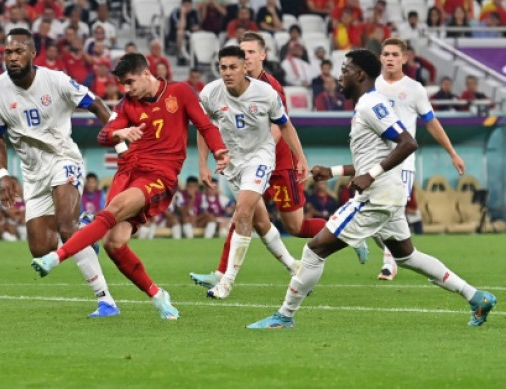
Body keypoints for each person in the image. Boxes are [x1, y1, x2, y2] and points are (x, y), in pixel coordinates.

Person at [248, 49, 495, 329]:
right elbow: (372, 158)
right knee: (407, 256)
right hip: (389, 193)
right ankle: (476, 297)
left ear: (360, 74)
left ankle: (284, 316)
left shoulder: (371, 105)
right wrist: (334, 172)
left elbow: (408, 143)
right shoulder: (367, 105)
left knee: (315, 249)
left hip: (378, 196)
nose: (340, 76)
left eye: (345, 70)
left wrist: (372, 175)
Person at [30, 52, 228, 319]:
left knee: (114, 210)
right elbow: (103, 135)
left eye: (130, 82)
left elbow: (205, 125)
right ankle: (158, 296)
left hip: (160, 173)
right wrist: (118, 133)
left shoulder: (180, 93)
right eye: (123, 84)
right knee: (114, 243)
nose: (127, 88)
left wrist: (219, 151)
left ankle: (56, 257)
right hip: (127, 172)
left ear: (147, 74)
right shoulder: (126, 105)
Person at [0, 28, 119, 318]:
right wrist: (3, 174)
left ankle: (105, 300)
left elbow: (94, 103)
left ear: (33, 54)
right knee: (41, 249)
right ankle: (84, 229)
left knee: (66, 226)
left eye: (19, 51)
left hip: (63, 158)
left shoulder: (56, 80)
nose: (12, 57)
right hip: (33, 173)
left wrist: (118, 138)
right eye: (8, 52)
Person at [191, 33, 319, 292]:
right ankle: (295, 267)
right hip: (233, 163)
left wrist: (301, 159)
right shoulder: (210, 93)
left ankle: (225, 281)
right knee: (260, 222)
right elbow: (204, 128)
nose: (227, 72)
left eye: (234, 66)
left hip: (261, 157)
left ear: (246, 66)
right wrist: (204, 163)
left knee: (243, 211)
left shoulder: (267, 92)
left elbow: (285, 126)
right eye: (223, 67)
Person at [368, 39, 466, 278]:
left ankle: (389, 264)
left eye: (394, 54)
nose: (390, 58)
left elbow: (431, 123)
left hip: (402, 163)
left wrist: (452, 153)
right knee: (372, 220)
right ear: (380, 58)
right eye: (386, 54)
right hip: (375, 162)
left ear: (404, 58)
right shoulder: (371, 86)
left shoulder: (414, 89)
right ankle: (400, 254)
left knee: (394, 211)